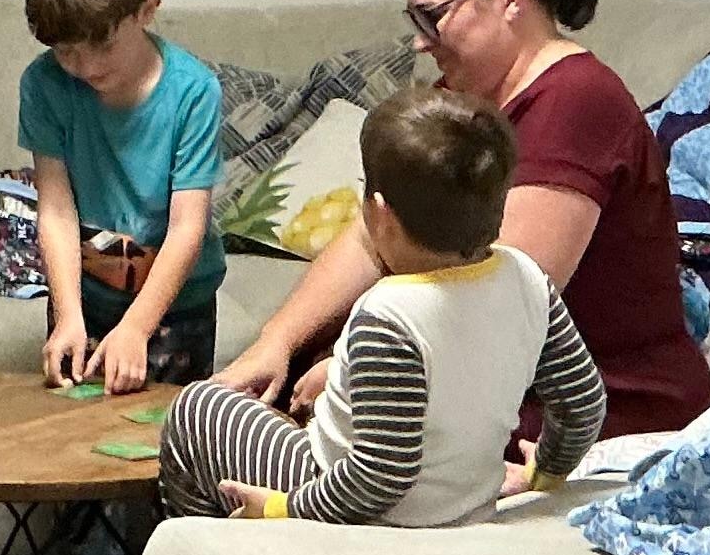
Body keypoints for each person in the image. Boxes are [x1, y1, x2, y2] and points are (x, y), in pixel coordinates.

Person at [219, 0, 710, 451]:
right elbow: (373, 231)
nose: (418, 41)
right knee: (232, 412)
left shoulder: (579, 102)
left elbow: (501, 305)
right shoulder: (460, 97)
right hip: (478, 386)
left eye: (433, 16)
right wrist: (276, 342)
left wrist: (357, 371)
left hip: (591, 410)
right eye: (414, 19)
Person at [160, 87, 605, 523]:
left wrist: (284, 506)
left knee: (199, 406)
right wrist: (545, 473)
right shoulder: (529, 279)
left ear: (378, 213)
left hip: (369, 515)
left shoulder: (389, 314)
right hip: (468, 504)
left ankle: (209, 541)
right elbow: (583, 403)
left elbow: (380, 477)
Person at [17, 0, 224, 555]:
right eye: (64, 48)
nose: (81, 64)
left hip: (174, 307)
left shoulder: (193, 91)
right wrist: (70, 317)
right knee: (77, 473)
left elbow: (188, 227)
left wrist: (138, 327)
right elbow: (56, 206)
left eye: (99, 43)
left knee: (160, 472)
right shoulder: (47, 85)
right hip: (87, 299)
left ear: (148, 8)